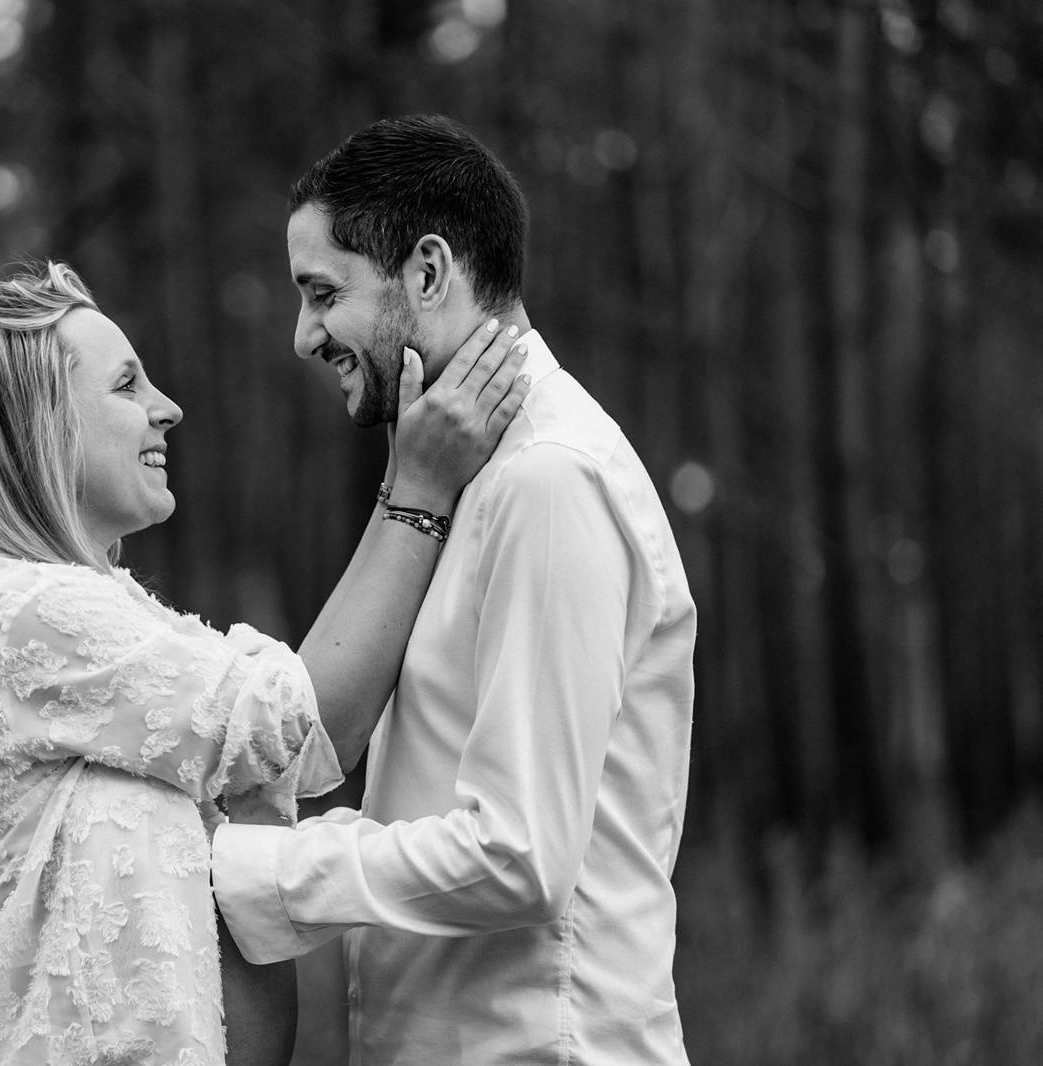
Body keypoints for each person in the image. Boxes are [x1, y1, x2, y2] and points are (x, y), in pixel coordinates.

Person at [0, 261, 530, 1066]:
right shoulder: (15, 614)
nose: (169, 408)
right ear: (34, 428)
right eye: (127, 386)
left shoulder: (100, 619)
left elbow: (234, 976)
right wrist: (418, 489)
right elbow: (312, 726)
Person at [211, 115, 699, 1065]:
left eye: (322, 294)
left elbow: (517, 856)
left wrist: (246, 869)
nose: (303, 335)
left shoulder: (550, 481)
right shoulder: (466, 473)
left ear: (427, 273)